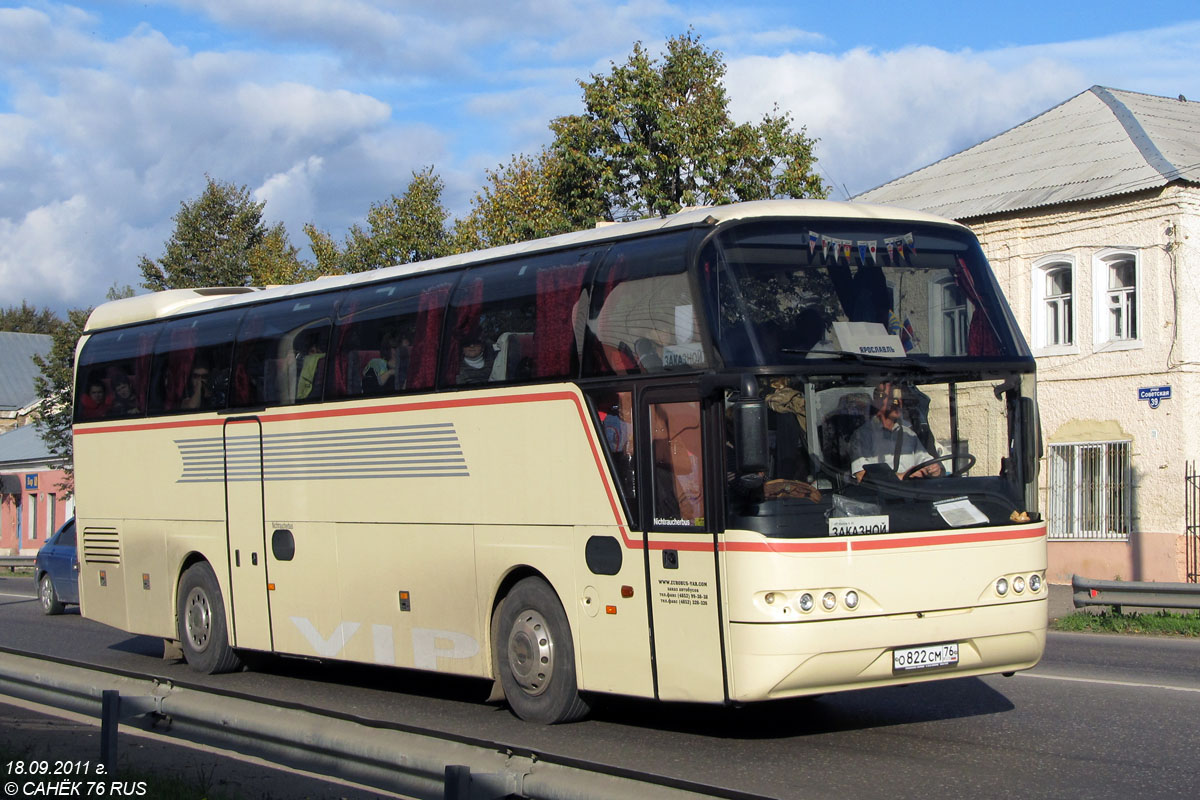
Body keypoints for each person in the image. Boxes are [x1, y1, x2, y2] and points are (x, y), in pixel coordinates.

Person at [849, 382, 944, 481]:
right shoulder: (862, 435)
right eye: (892, 398)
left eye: (899, 398)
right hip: (880, 495)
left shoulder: (909, 434)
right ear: (878, 401)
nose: (897, 402)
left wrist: (934, 469)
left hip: (913, 493)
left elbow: (926, 462)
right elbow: (861, 476)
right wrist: (903, 476)